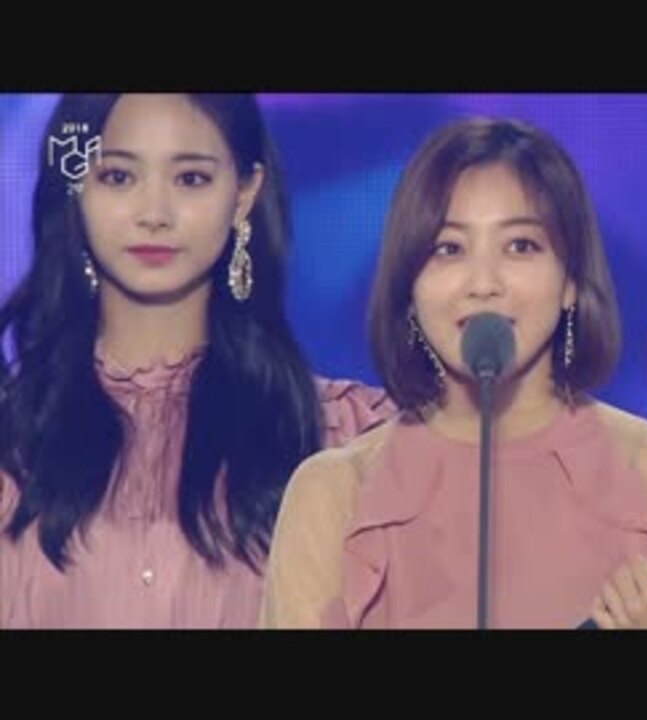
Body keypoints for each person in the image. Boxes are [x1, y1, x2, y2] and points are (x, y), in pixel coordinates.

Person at [261, 117, 647, 629]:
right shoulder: (335, 492)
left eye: (520, 246)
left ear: (570, 281)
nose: (484, 283)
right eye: (448, 249)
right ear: (409, 286)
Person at [0, 93, 394, 628]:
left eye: (190, 179)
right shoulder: (15, 441)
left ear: (244, 193)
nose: (154, 214)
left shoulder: (343, 439)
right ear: (75, 189)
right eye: (118, 177)